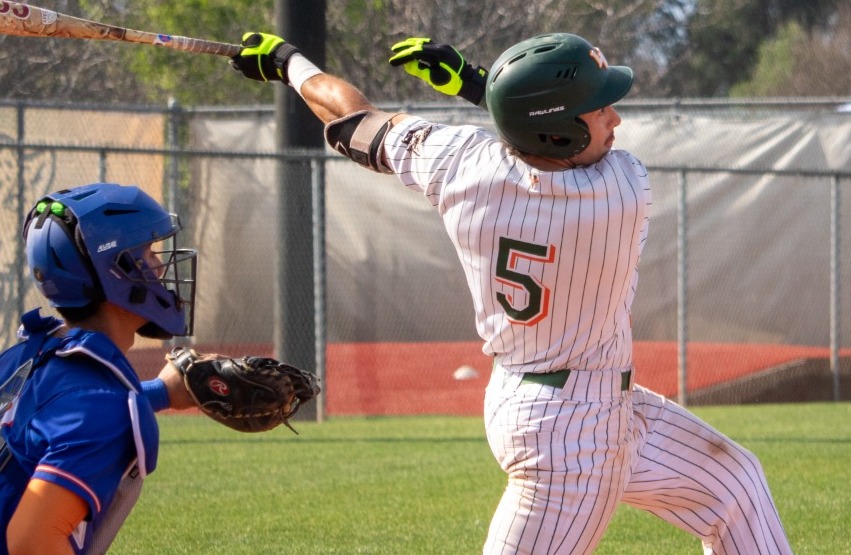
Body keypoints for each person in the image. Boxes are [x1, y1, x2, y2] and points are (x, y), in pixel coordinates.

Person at [230, 32, 793, 554]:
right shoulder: (621, 190)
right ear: (559, 130)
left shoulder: (458, 164)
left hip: (562, 400)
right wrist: (479, 86)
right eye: (599, 111)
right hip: (571, 436)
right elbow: (547, 145)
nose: (615, 119)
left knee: (735, 486)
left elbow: (354, 117)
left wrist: (287, 62)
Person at [0, 182, 199, 554]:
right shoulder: (101, 405)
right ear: (118, 271)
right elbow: (31, 542)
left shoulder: (22, 357)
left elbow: (57, 414)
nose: (160, 266)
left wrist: (161, 392)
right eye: (149, 252)